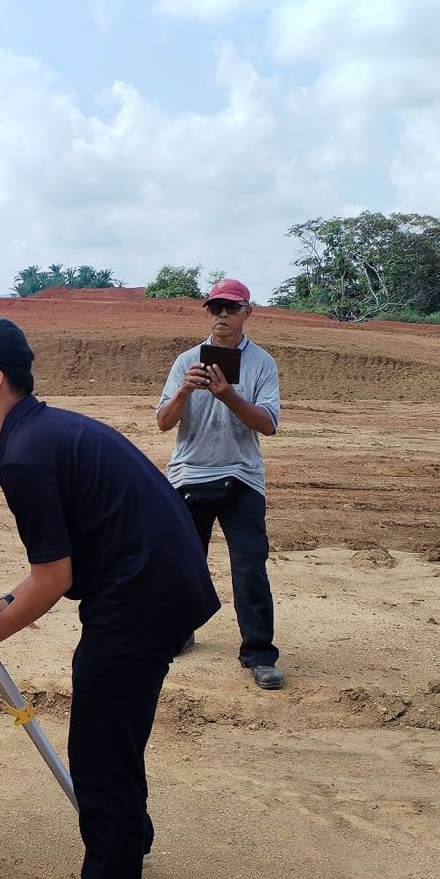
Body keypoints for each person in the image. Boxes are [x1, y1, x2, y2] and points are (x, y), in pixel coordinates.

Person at [0, 315, 220, 879]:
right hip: (156, 586)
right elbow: (64, 565)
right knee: (113, 736)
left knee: (101, 754)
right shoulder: (44, 434)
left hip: (140, 597)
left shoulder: (25, 455)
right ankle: (127, 839)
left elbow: (54, 576)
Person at [155, 278, 283, 689]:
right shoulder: (186, 360)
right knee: (183, 565)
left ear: (248, 312)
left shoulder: (261, 363)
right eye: (215, 308)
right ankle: (178, 632)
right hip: (189, 474)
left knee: (249, 566)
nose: (222, 316)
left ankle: (259, 652)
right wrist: (184, 392)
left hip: (241, 476)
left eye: (231, 308)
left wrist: (227, 394)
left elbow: (268, 424)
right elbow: (162, 422)